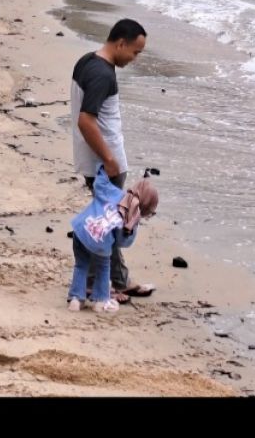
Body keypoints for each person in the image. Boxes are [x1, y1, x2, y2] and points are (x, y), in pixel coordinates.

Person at [70, 18, 155, 303]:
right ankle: (97, 285)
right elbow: (86, 120)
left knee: (110, 220)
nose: (135, 58)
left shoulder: (87, 61)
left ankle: (116, 280)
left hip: (99, 159)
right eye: (135, 52)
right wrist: (109, 159)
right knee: (108, 223)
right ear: (120, 43)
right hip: (105, 163)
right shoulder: (102, 75)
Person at [67, 171, 158, 312]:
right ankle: (100, 301)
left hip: (82, 229)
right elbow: (123, 242)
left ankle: (76, 299)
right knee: (103, 269)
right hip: (100, 241)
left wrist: (102, 168)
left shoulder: (114, 192)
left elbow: (99, 184)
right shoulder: (133, 217)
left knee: (81, 266)